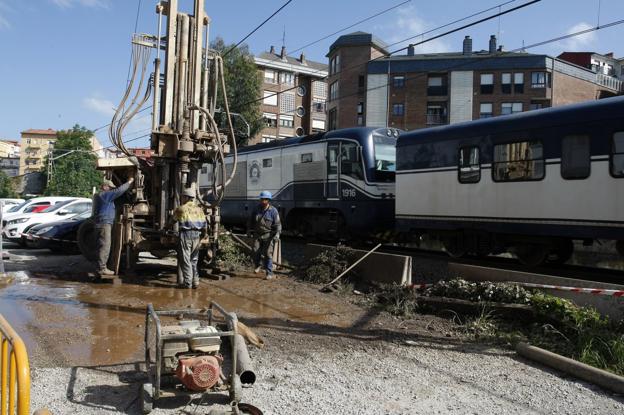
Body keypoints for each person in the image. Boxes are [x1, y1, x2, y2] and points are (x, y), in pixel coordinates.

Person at [93, 177, 134, 276]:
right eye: (110, 188)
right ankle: (102, 269)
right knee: (105, 246)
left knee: (100, 246)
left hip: (99, 223)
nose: (111, 189)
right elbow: (119, 191)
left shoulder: (98, 196)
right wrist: (129, 182)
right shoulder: (105, 195)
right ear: (105, 187)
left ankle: (99, 267)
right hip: (104, 224)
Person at [173, 187, 207, 289]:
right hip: (197, 235)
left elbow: (173, 220)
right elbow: (205, 225)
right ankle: (195, 282)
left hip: (186, 235)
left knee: (186, 260)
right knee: (194, 259)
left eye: (183, 196)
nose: (182, 198)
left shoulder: (181, 208)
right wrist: (203, 236)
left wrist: (165, 228)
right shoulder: (199, 209)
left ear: (187, 197)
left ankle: (187, 283)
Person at [247, 191, 281, 279]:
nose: (263, 201)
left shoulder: (273, 211)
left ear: (268, 200)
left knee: (268, 254)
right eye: (262, 199)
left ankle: (269, 273)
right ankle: (258, 265)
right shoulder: (256, 209)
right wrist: (249, 231)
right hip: (257, 234)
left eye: (265, 199)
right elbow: (251, 221)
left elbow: (278, 224)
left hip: (268, 235)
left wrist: (277, 234)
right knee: (255, 251)